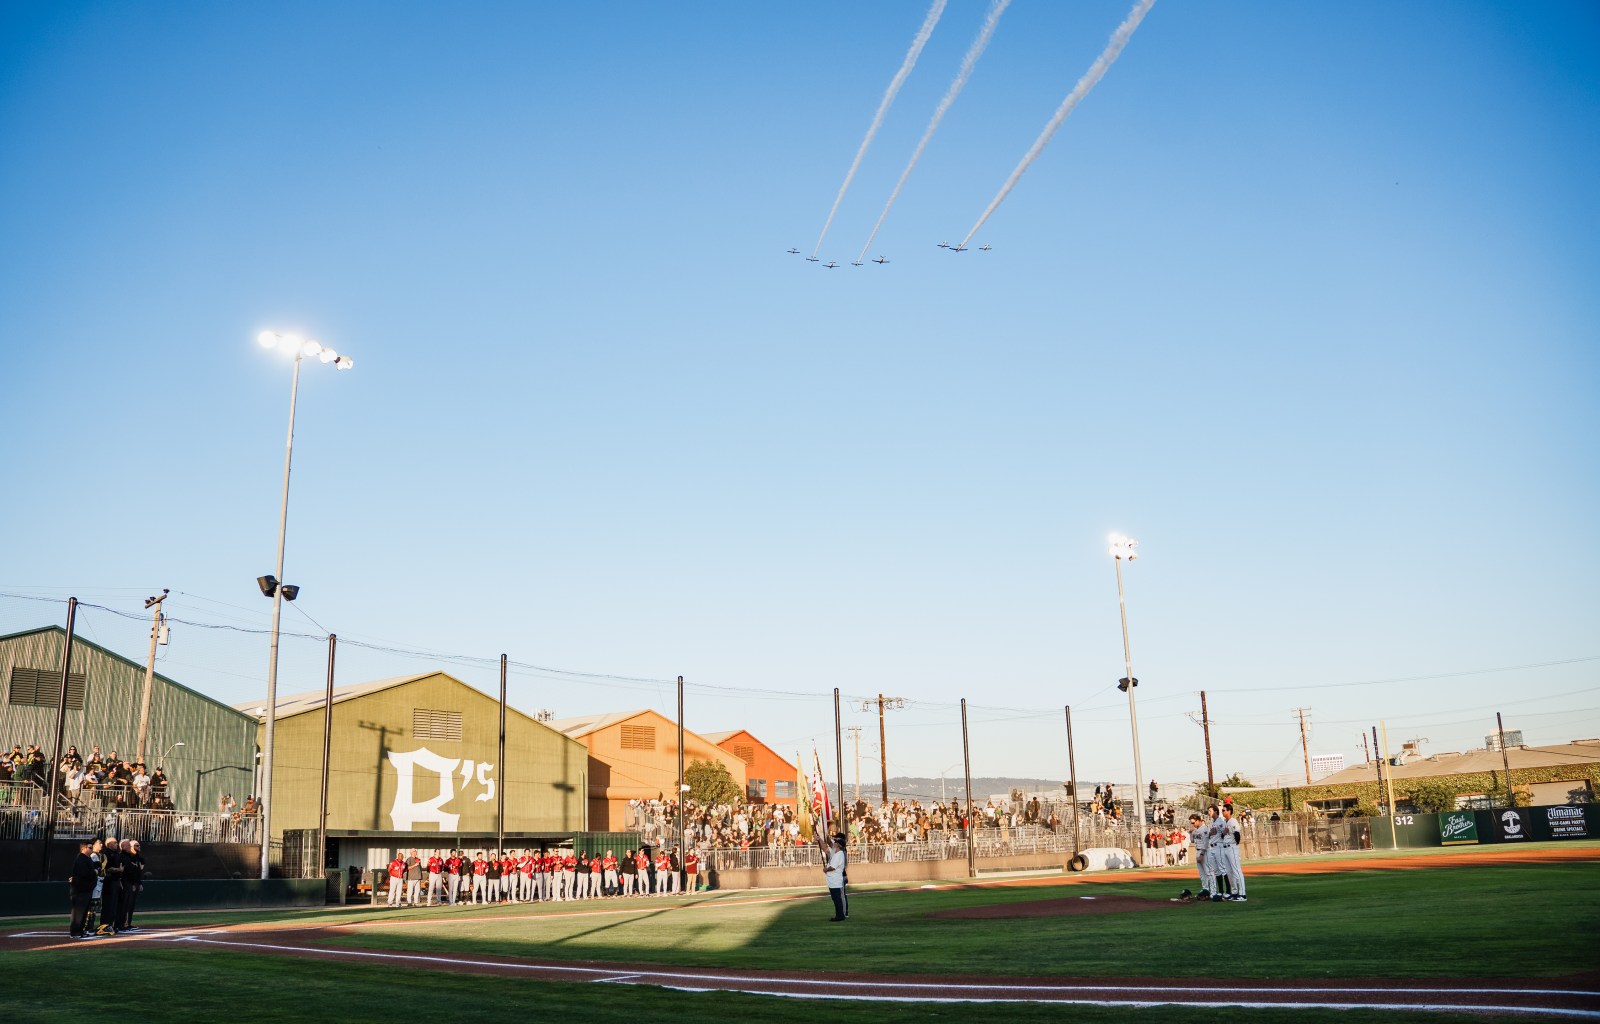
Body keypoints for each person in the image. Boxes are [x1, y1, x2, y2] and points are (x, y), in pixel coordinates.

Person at [1217, 804, 1248, 902]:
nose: (1222, 812)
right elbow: (1223, 836)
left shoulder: (1233, 821)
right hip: (1226, 848)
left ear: (1229, 811)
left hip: (1232, 848)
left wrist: (1235, 845)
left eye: (1224, 810)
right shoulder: (1226, 822)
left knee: (1236, 870)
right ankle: (1234, 893)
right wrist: (1223, 833)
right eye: (1222, 810)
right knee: (1229, 872)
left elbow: (1237, 834)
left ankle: (1242, 894)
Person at [69, 840, 98, 939]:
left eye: (92, 847)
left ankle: (80, 931)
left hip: (86, 889)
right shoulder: (81, 858)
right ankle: (75, 932)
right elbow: (84, 873)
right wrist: (94, 871)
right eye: (90, 848)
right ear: (83, 848)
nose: (92, 850)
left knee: (84, 912)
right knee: (78, 912)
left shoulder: (87, 858)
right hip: (80, 890)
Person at [821, 831, 847, 921]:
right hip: (833, 880)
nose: (834, 843)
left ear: (838, 845)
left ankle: (840, 915)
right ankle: (839, 914)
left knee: (837, 898)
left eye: (836, 842)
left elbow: (833, 867)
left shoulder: (839, 854)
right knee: (836, 898)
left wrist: (826, 869)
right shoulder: (836, 853)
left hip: (835, 880)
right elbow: (825, 848)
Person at [1187, 813, 1210, 899]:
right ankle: (1205, 889)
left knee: (1208, 872)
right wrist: (1190, 833)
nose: (1192, 824)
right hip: (1197, 850)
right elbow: (1193, 841)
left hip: (1204, 852)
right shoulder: (1196, 830)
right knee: (1202, 873)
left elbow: (1206, 843)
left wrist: (1202, 854)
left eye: (1193, 822)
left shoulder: (1204, 829)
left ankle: (1212, 891)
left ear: (1198, 820)